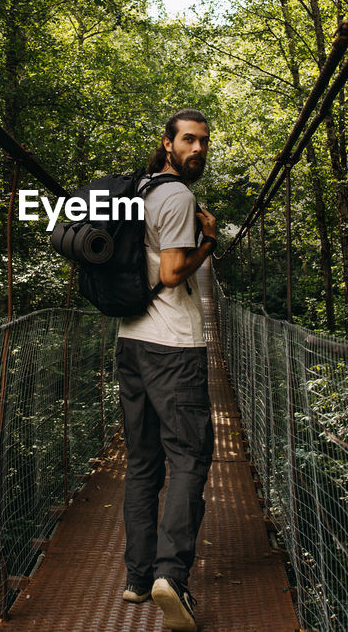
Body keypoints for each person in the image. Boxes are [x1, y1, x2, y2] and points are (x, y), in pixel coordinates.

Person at [116, 109, 217, 632]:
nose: (197, 149)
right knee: (191, 456)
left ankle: (136, 579)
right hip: (173, 347)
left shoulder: (139, 190)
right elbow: (175, 273)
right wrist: (208, 244)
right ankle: (170, 577)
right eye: (189, 140)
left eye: (203, 141)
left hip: (130, 342)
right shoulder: (177, 194)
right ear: (168, 142)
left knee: (142, 462)